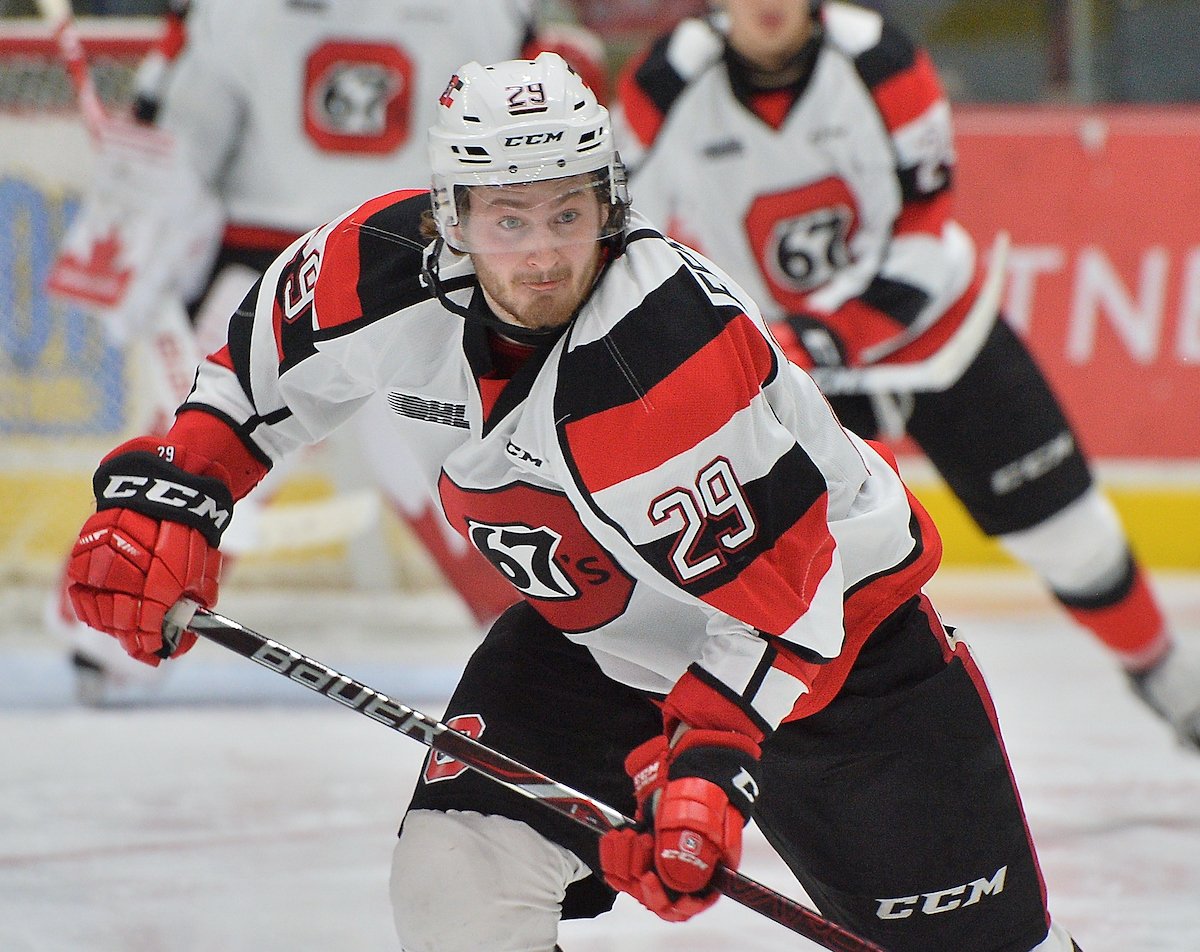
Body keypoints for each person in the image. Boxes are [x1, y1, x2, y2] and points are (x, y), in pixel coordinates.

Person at [64, 52, 1082, 952]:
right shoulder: (376, 268)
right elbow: (252, 380)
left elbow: (790, 590)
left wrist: (708, 763)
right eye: (509, 217)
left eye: (568, 213)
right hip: (599, 642)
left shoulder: (658, 356)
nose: (545, 254)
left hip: (840, 656)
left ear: (610, 204)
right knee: (456, 882)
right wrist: (181, 496)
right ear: (450, 216)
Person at [610, 0, 1200, 749]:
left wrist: (832, 332)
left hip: (933, 335)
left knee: (1072, 535)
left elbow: (926, 223)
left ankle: (1168, 678)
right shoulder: (663, 83)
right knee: (805, 579)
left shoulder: (881, 61)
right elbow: (624, 229)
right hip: (792, 371)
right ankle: (791, 757)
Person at [52, 0, 615, 700]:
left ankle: (549, 648)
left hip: (425, 274)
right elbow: (182, 142)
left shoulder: (486, 12)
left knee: (470, 476)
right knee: (203, 447)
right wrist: (136, 216)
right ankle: (105, 626)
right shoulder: (235, 12)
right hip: (268, 274)